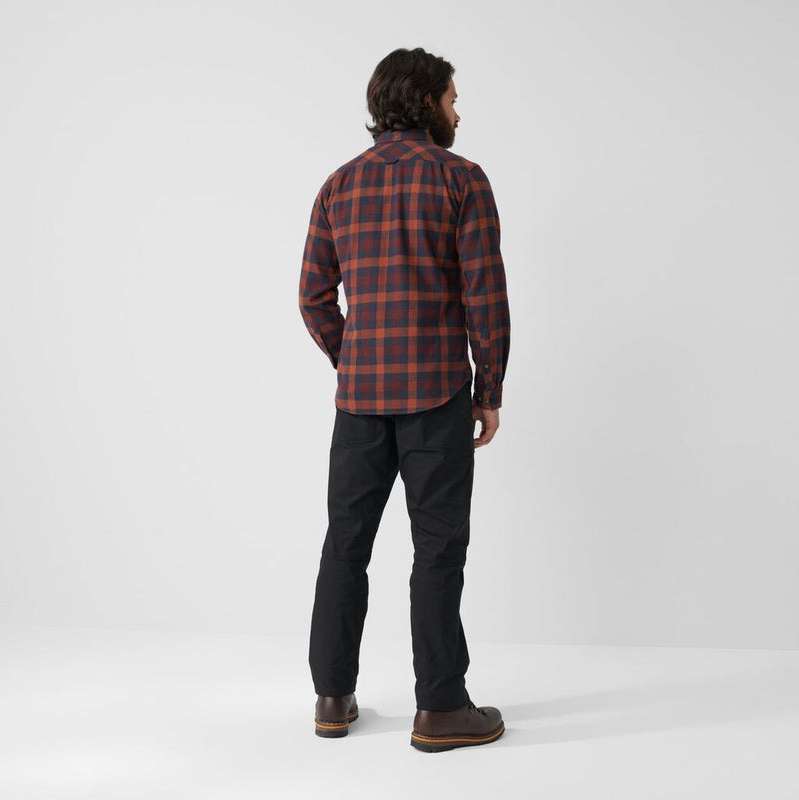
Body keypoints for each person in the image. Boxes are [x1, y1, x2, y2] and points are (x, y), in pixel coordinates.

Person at [298, 46, 511, 753]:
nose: (458, 112)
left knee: (346, 545)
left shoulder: (338, 185)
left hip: (359, 403)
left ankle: (332, 698)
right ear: (425, 102)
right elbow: (485, 297)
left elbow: (313, 296)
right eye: (452, 99)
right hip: (436, 395)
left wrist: (354, 356)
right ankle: (440, 709)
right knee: (438, 551)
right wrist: (489, 389)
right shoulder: (461, 178)